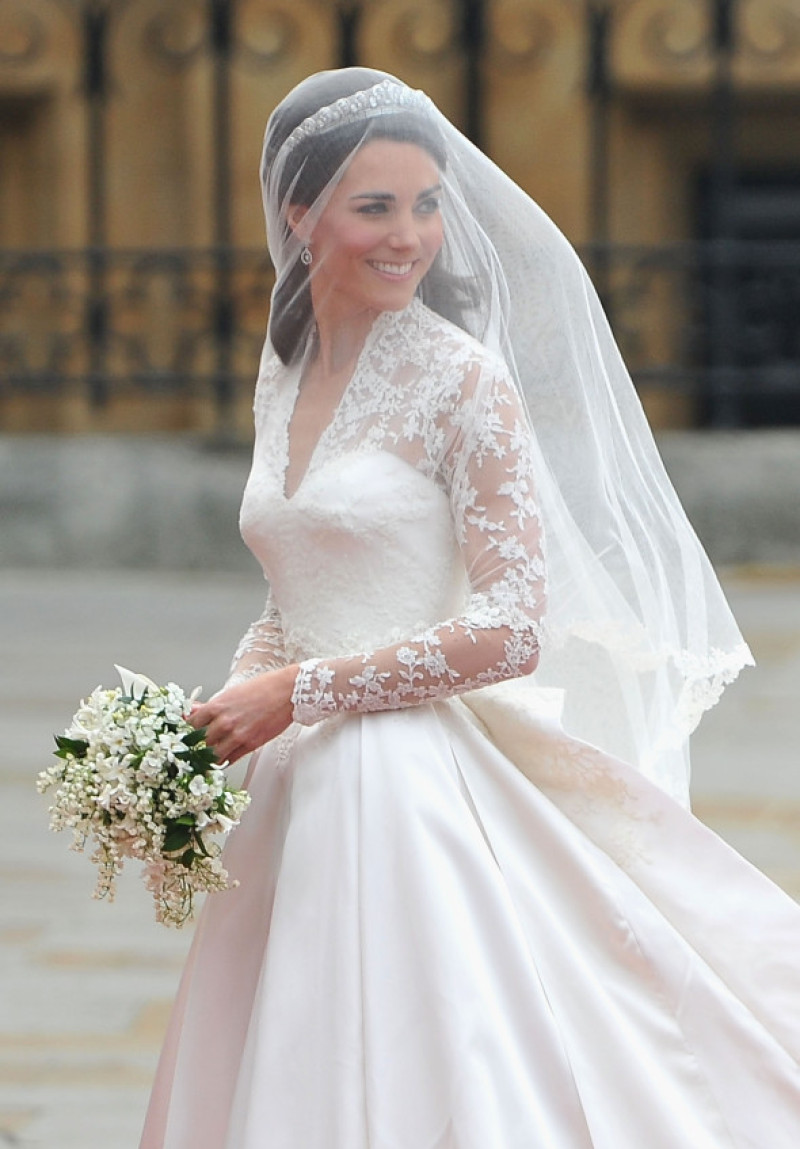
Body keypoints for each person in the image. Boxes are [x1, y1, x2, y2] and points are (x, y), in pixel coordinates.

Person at [140, 68, 800, 1148]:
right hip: (288, 779)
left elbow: (510, 627)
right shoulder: (285, 364)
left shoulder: (463, 381)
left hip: (405, 782)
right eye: (375, 207)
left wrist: (292, 692)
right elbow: (292, 585)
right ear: (299, 216)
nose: (409, 236)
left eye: (427, 203)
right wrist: (210, 722)